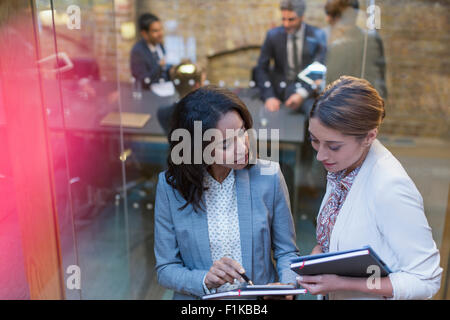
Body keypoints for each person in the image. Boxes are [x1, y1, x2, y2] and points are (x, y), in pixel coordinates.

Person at [296, 76, 442, 299]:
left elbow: (426, 279)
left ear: (369, 136)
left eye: (333, 146)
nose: (321, 155)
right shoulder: (343, 164)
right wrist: (320, 255)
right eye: (314, 140)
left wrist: (343, 282)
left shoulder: (391, 187)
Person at [154, 86, 299, 299]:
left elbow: (287, 252)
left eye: (242, 133)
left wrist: (287, 286)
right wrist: (204, 280)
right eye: (225, 144)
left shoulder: (269, 176)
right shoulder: (170, 187)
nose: (242, 148)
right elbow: (166, 269)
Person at [254, 0, 327, 114]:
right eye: (283, 19)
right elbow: (261, 68)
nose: (286, 24)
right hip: (279, 93)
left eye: (291, 19)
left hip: (308, 93)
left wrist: (302, 93)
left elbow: (318, 69)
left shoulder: (317, 35)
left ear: (302, 17)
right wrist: (269, 96)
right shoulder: (272, 36)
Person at [323, 0, 387, 98]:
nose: (328, 19)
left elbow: (378, 77)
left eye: (335, 15)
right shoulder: (331, 40)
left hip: (356, 101)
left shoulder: (369, 40)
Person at [156, 60, 205, 135]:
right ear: (197, 86)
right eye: (203, 82)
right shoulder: (208, 115)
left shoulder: (162, 113)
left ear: (175, 85)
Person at [130, 13, 171, 88]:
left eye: (161, 29)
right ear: (144, 34)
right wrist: (159, 66)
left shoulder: (160, 45)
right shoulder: (138, 51)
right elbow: (142, 80)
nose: (160, 33)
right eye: (155, 31)